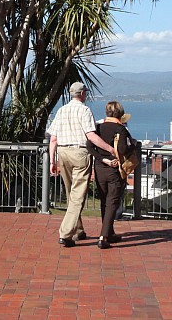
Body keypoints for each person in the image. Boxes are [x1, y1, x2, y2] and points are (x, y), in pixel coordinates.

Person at [48, 82, 117, 248]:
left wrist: (52, 160)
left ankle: (78, 231)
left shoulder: (62, 110)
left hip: (63, 153)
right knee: (77, 196)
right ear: (81, 94)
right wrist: (110, 149)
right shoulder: (84, 110)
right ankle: (65, 233)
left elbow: (53, 139)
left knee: (72, 193)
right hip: (79, 153)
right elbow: (91, 136)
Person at [87, 101, 129, 249]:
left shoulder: (97, 128)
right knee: (112, 202)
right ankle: (103, 237)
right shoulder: (121, 129)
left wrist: (102, 159)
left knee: (105, 201)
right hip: (114, 169)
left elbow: (90, 146)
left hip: (99, 167)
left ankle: (109, 232)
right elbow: (123, 149)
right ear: (120, 113)